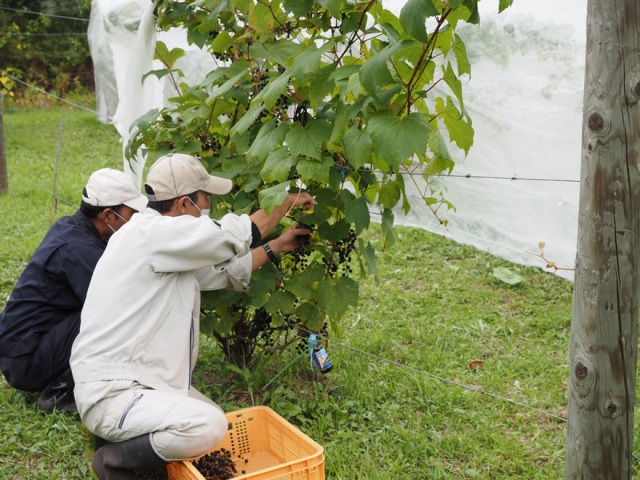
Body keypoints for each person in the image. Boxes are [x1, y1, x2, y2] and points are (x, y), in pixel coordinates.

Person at [70, 153, 315, 479]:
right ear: (185, 204)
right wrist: (285, 203)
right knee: (207, 426)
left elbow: (223, 272)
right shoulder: (154, 235)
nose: (209, 206)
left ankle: (129, 447)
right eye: (206, 198)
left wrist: (278, 246)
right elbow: (232, 236)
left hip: (134, 382)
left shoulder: (161, 245)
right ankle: (112, 459)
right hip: (113, 392)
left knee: (212, 418)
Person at [0, 168, 148, 414]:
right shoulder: (78, 250)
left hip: (21, 351)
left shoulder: (72, 227)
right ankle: (61, 393)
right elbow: (120, 305)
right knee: (114, 316)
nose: (134, 219)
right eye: (131, 213)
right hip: (26, 361)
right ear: (108, 215)